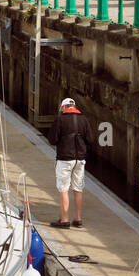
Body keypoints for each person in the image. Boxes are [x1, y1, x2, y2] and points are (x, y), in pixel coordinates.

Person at [48, 97, 94, 228]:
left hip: (64, 159)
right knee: (78, 189)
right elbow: (91, 140)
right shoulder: (84, 120)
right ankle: (78, 219)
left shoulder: (60, 120)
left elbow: (52, 139)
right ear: (74, 107)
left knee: (63, 189)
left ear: (63, 107)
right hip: (80, 160)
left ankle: (64, 220)